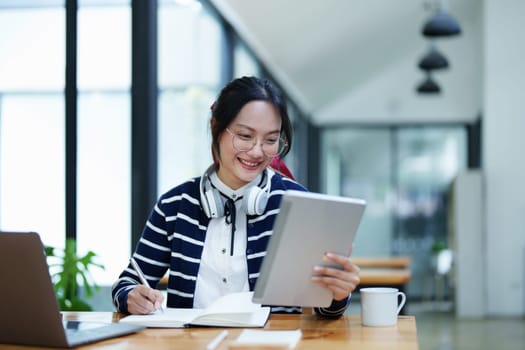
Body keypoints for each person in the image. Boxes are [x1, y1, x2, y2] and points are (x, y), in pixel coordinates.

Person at [112, 76, 360, 317]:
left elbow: (324, 310)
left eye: (271, 139)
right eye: (245, 136)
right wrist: (132, 296)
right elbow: (127, 284)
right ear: (216, 127)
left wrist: (337, 295)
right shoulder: (175, 205)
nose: (257, 151)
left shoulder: (297, 203)